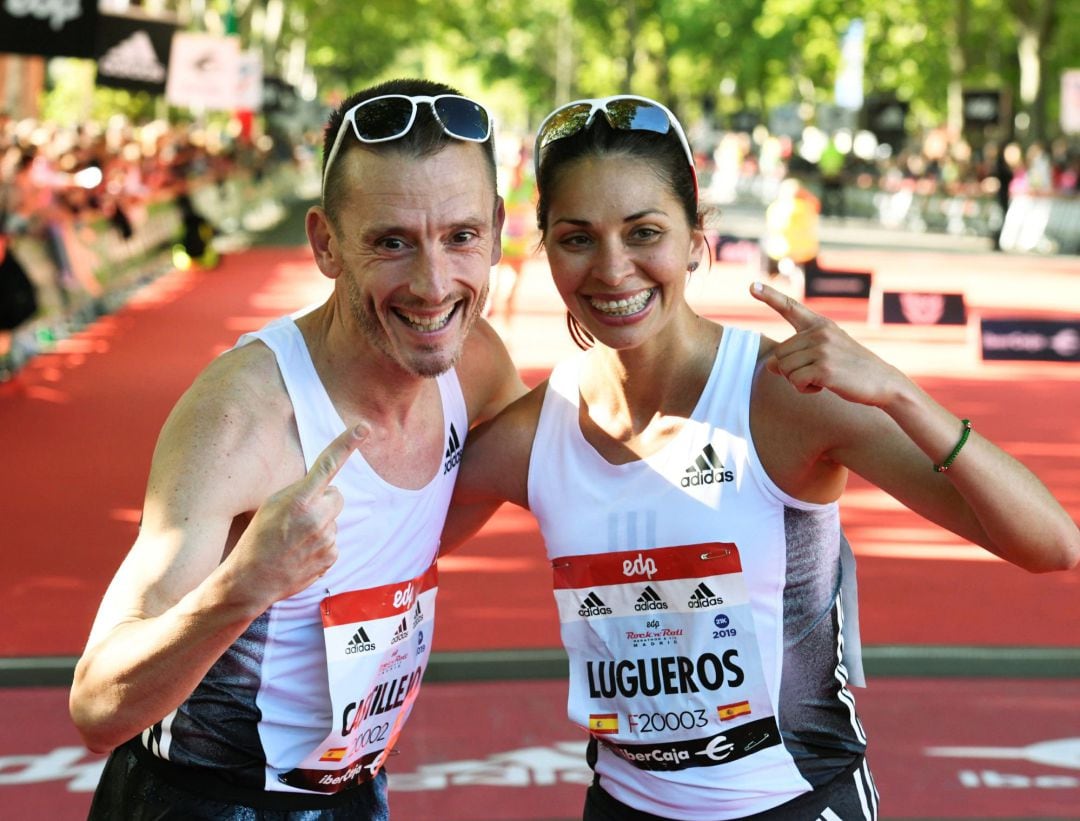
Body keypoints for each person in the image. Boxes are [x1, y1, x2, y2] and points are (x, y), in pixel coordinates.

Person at [443, 94, 1080, 820]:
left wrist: (901, 394)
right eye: (577, 237)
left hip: (795, 801)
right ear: (544, 245)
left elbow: (1050, 544)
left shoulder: (785, 395)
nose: (613, 270)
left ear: (695, 237)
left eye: (644, 231)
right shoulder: (535, 434)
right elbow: (382, 546)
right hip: (621, 803)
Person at [69, 77, 525, 819]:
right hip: (199, 801)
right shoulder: (242, 417)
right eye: (390, 241)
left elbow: (594, 449)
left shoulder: (473, 366)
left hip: (353, 791)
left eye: (461, 236)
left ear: (498, 230)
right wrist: (245, 584)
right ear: (325, 243)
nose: (434, 284)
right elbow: (97, 704)